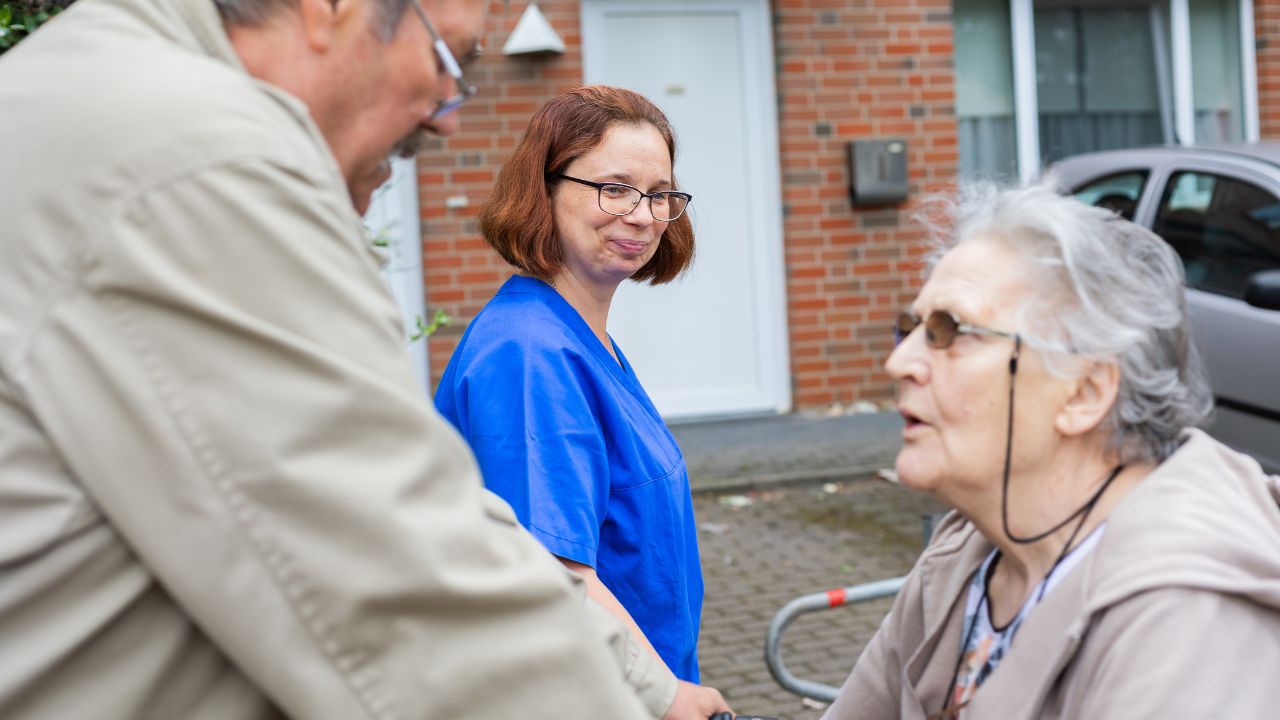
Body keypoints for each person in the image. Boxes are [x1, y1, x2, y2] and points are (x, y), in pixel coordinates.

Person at [0, 0, 730, 718]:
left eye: (661, 194)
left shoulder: (105, 89)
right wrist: (650, 700)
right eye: (446, 57)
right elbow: (387, 589)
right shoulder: (198, 160)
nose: (447, 113)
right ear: (329, 10)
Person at [824, 180, 1280, 719]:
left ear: (1084, 393)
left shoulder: (1189, 620)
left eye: (949, 330)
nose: (899, 364)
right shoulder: (967, 554)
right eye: (911, 327)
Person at [435, 86, 707, 684]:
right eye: (614, 188)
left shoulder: (579, 336)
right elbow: (555, 577)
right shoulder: (528, 354)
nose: (641, 214)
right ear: (545, 189)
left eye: (660, 194)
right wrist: (668, 698)